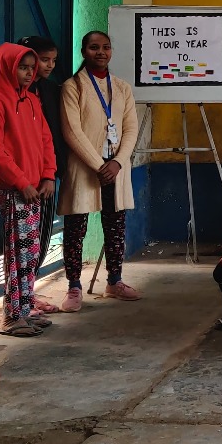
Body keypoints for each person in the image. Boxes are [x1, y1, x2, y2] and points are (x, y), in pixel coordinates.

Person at [58, 30, 140, 311]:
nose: (101, 52)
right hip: (85, 167)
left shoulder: (122, 88)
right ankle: (73, 287)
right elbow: (72, 130)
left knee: (116, 226)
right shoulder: (73, 86)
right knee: (75, 227)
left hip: (116, 168)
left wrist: (117, 162)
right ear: (84, 51)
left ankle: (114, 281)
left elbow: (130, 128)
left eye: (106, 47)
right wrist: (98, 164)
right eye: (94, 47)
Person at [0, 42, 56, 337]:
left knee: (31, 253)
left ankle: (26, 310)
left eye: (31, 67)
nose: (30, 72)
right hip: (13, 190)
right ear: (7, 67)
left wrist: (48, 176)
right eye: (22, 67)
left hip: (35, 189)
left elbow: (46, 141)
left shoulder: (31, 100)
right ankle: (11, 316)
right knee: (16, 255)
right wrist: (22, 182)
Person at [17, 35, 67, 288]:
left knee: (42, 235)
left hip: (46, 177)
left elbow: (52, 137)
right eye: (43, 60)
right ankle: (20, 301)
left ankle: (30, 293)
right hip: (20, 180)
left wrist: (52, 173)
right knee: (19, 245)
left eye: (53, 61)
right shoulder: (9, 93)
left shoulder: (50, 90)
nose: (48, 66)